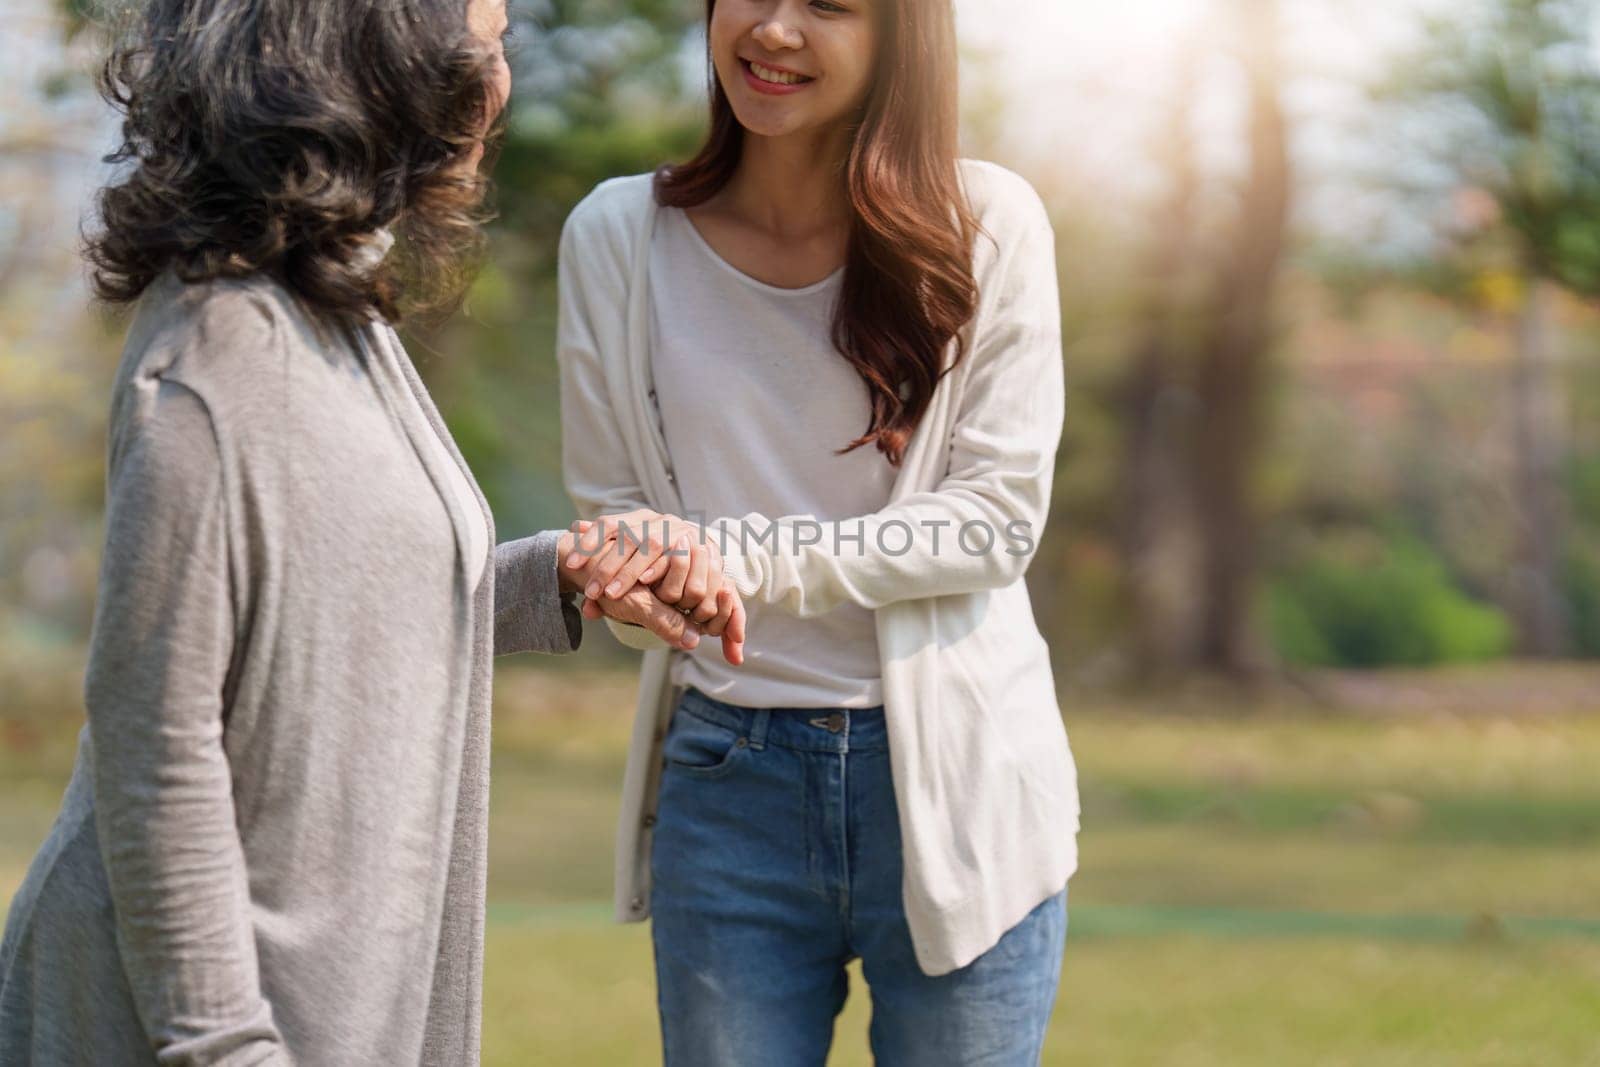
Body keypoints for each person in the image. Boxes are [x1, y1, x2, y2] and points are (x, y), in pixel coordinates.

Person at [0, 0, 743, 1063]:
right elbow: (158, 749)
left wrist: (558, 579)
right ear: (369, 64)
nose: (497, 86)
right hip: (179, 1025)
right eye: (481, 47)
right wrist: (226, 1045)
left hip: (338, 987)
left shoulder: (335, 309)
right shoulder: (215, 360)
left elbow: (330, 614)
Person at [554, 0, 1080, 1061]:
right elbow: (615, 509)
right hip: (726, 774)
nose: (774, 29)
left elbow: (993, 522)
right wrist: (635, 586)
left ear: (900, 35)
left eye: (828, 5)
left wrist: (732, 561)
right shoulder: (615, 235)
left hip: (958, 782)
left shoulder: (989, 223)